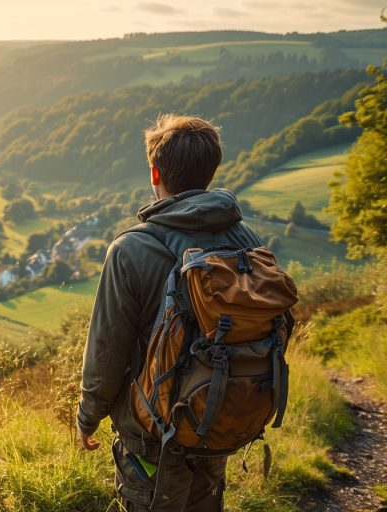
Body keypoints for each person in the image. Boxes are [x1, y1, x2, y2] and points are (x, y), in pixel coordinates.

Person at [76, 114, 264, 511]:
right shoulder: (248, 241)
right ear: (210, 172)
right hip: (219, 418)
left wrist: (87, 417)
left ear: (154, 171)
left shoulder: (130, 251)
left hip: (152, 434)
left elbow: (106, 352)